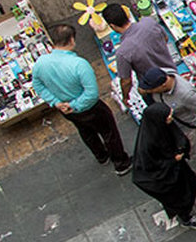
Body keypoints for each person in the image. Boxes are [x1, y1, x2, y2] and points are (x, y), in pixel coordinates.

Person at [31, 23, 130, 174]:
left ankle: (101, 156)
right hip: (89, 108)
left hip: (66, 110)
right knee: (109, 133)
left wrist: (57, 103)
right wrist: (74, 105)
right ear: (71, 40)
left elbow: (37, 85)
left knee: (86, 131)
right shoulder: (79, 65)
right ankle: (121, 163)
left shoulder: (40, 63)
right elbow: (91, 94)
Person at [139, 66, 196, 185]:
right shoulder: (162, 74)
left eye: (151, 89)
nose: (148, 91)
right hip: (176, 124)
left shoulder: (185, 94)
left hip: (188, 126)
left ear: (163, 85)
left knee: (194, 151)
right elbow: (143, 89)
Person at [132, 103, 196, 229]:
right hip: (163, 175)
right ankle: (186, 217)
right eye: (168, 116)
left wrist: (180, 150)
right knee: (178, 197)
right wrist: (173, 159)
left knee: (190, 184)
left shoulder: (161, 125)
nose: (171, 118)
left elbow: (178, 136)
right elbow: (151, 164)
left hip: (175, 168)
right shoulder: (147, 144)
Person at [103, 4, 177, 107]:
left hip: (153, 87)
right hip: (172, 71)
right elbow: (165, 39)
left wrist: (125, 97)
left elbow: (126, 81)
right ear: (127, 15)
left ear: (112, 26)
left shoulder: (122, 52)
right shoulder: (149, 22)